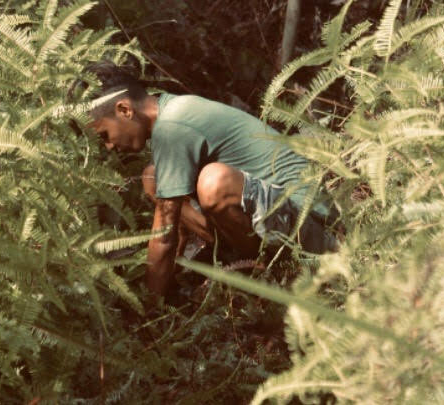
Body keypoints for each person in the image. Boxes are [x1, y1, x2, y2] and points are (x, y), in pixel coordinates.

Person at [86, 66, 337, 303]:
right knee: (153, 177)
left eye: (105, 135)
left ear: (124, 110)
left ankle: (271, 274)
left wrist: (148, 310)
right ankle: (241, 262)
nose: (109, 147)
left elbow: (164, 237)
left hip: (311, 227)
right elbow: (175, 227)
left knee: (213, 183)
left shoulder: (171, 127)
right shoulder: (169, 109)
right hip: (276, 216)